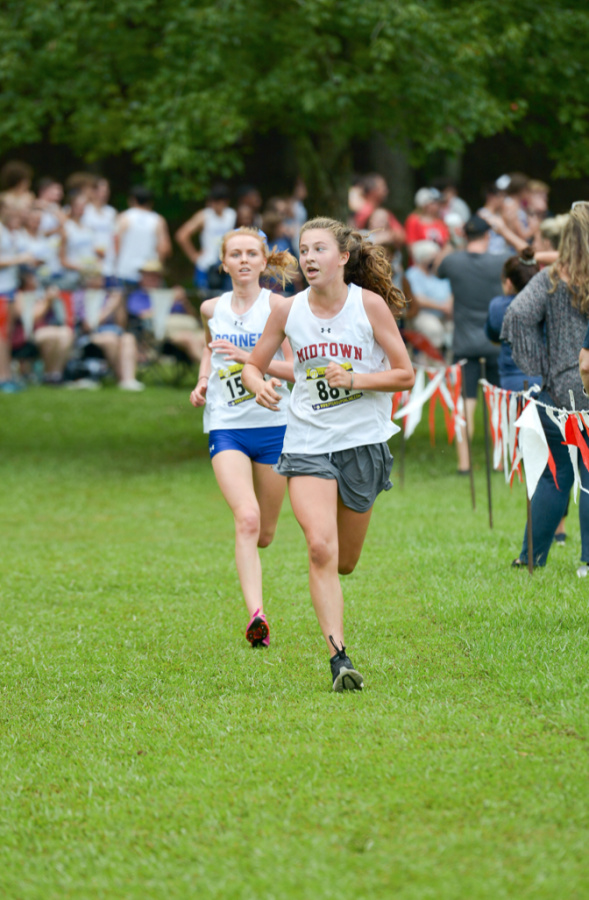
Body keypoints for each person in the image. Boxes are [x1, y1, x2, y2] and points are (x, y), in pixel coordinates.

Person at [242, 218, 415, 691]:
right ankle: (340, 658)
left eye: (319, 248)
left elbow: (405, 375)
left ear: (342, 257)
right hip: (308, 443)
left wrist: (354, 379)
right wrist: (259, 387)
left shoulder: (369, 306)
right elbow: (254, 368)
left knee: (344, 561)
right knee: (320, 546)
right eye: (303, 249)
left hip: (362, 443)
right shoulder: (288, 310)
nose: (309, 257)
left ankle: (336, 602)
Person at [189, 227, 297, 648]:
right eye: (236, 254)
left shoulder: (280, 308)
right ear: (224, 262)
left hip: (273, 427)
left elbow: (295, 368)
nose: (245, 260)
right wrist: (202, 381)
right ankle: (257, 616)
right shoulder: (210, 308)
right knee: (246, 518)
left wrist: (250, 362)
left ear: (264, 260)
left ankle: (257, 595)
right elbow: (208, 348)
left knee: (265, 532)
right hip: (227, 424)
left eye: (253, 253)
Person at [502, 202, 589, 575]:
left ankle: (530, 557)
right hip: (584, 379)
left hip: (556, 388)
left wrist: (540, 364)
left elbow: (516, 316)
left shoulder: (552, 277)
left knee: (554, 476)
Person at [437, 213, 525, 472]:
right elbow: (529, 257)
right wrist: (505, 230)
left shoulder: (453, 262)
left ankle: (464, 465)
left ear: (465, 235)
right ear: (489, 235)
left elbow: (436, 268)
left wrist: (451, 241)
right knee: (499, 405)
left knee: (465, 405)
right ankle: (500, 462)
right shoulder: (501, 261)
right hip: (496, 344)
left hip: (464, 347)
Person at [75, 270, 144, 391]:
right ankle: (122, 378)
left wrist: (119, 304)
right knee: (110, 339)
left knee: (128, 338)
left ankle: (129, 379)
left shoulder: (108, 295)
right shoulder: (81, 296)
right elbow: (88, 326)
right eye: (95, 277)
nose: (99, 280)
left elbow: (121, 325)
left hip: (114, 332)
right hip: (89, 335)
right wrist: (110, 307)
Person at [127, 260, 205, 366]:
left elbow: (193, 317)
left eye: (156, 275)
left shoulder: (167, 294)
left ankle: (224, 376)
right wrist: (170, 301)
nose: (153, 278)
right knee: (189, 338)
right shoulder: (137, 296)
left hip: (189, 328)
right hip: (160, 337)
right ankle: (216, 375)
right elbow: (142, 316)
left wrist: (185, 301)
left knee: (208, 338)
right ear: (142, 277)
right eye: (149, 275)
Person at [485, 248, 542, 392]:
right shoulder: (549, 303)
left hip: (513, 380)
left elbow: (493, 336)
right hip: (546, 380)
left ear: (509, 282)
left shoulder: (497, 306)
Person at [13, 271, 74, 385]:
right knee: (49, 336)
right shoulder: (17, 295)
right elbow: (32, 318)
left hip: (45, 331)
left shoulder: (39, 294)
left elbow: (63, 318)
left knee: (66, 333)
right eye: (32, 277)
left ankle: (55, 374)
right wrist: (47, 300)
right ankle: (49, 374)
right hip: (24, 336)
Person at [176, 184, 237, 289]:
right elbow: (182, 235)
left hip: (226, 265)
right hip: (206, 265)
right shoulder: (204, 216)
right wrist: (194, 256)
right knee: (207, 299)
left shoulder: (232, 215)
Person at [115, 186, 171, 288]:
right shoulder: (158, 220)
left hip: (125, 271)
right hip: (149, 274)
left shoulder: (123, 218)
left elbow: (116, 244)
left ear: (133, 200)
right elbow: (164, 248)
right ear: (150, 202)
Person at [405, 240, 453, 351]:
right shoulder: (412, 274)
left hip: (446, 313)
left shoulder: (439, 272)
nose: (437, 260)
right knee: (434, 330)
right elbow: (418, 299)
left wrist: (449, 305)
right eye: (434, 257)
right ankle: (435, 364)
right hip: (424, 313)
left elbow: (451, 290)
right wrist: (442, 307)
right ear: (424, 258)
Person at [81, 178, 118, 286]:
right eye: (101, 190)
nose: (104, 194)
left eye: (106, 190)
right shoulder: (85, 210)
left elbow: (115, 235)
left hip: (110, 261)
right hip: (90, 261)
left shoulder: (111, 212)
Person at [353, 173, 405, 247]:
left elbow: (401, 235)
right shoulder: (365, 211)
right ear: (373, 190)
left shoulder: (381, 212)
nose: (386, 191)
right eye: (383, 187)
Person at [59, 193, 99, 288]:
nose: (81, 208)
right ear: (71, 206)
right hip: (72, 278)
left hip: (89, 278)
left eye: (83, 205)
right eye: (78, 205)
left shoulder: (89, 228)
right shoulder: (66, 227)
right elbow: (62, 259)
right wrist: (80, 267)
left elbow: (93, 251)